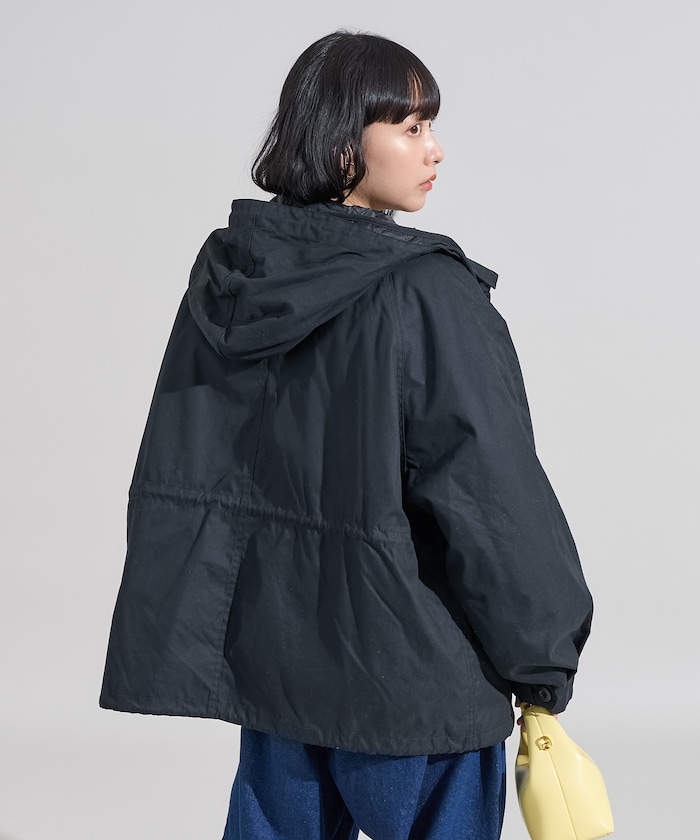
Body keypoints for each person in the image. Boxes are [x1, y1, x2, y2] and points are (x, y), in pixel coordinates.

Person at [100, 30, 593, 840]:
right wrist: (543, 664)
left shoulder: (234, 276)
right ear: (340, 146)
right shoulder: (428, 294)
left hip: (278, 682)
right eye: (410, 127)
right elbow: (491, 496)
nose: (435, 149)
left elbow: (191, 469)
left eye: (431, 126)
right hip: (415, 685)